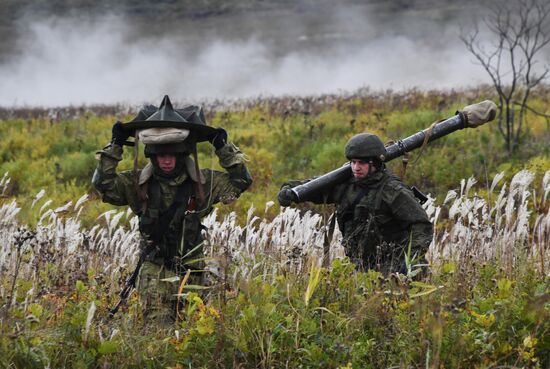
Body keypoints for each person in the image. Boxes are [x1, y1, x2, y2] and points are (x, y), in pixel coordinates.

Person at [92, 95, 252, 320]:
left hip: (192, 275)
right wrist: (115, 146)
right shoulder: (137, 183)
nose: (166, 160)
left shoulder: (203, 183)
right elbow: (103, 185)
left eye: (172, 155)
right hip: (154, 273)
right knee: (158, 335)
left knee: (193, 334)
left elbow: (241, 181)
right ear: (152, 157)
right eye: (161, 155)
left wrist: (223, 148)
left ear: (182, 155)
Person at [277, 133, 433, 276]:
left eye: (362, 163)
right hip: (361, 269)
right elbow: (313, 187)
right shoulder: (345, 185)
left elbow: (421, 226)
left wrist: (409, 261)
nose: (356, 168)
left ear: (376, 163)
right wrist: (289, 190)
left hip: (396, 269)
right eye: (353, 162)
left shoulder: (393, 191)